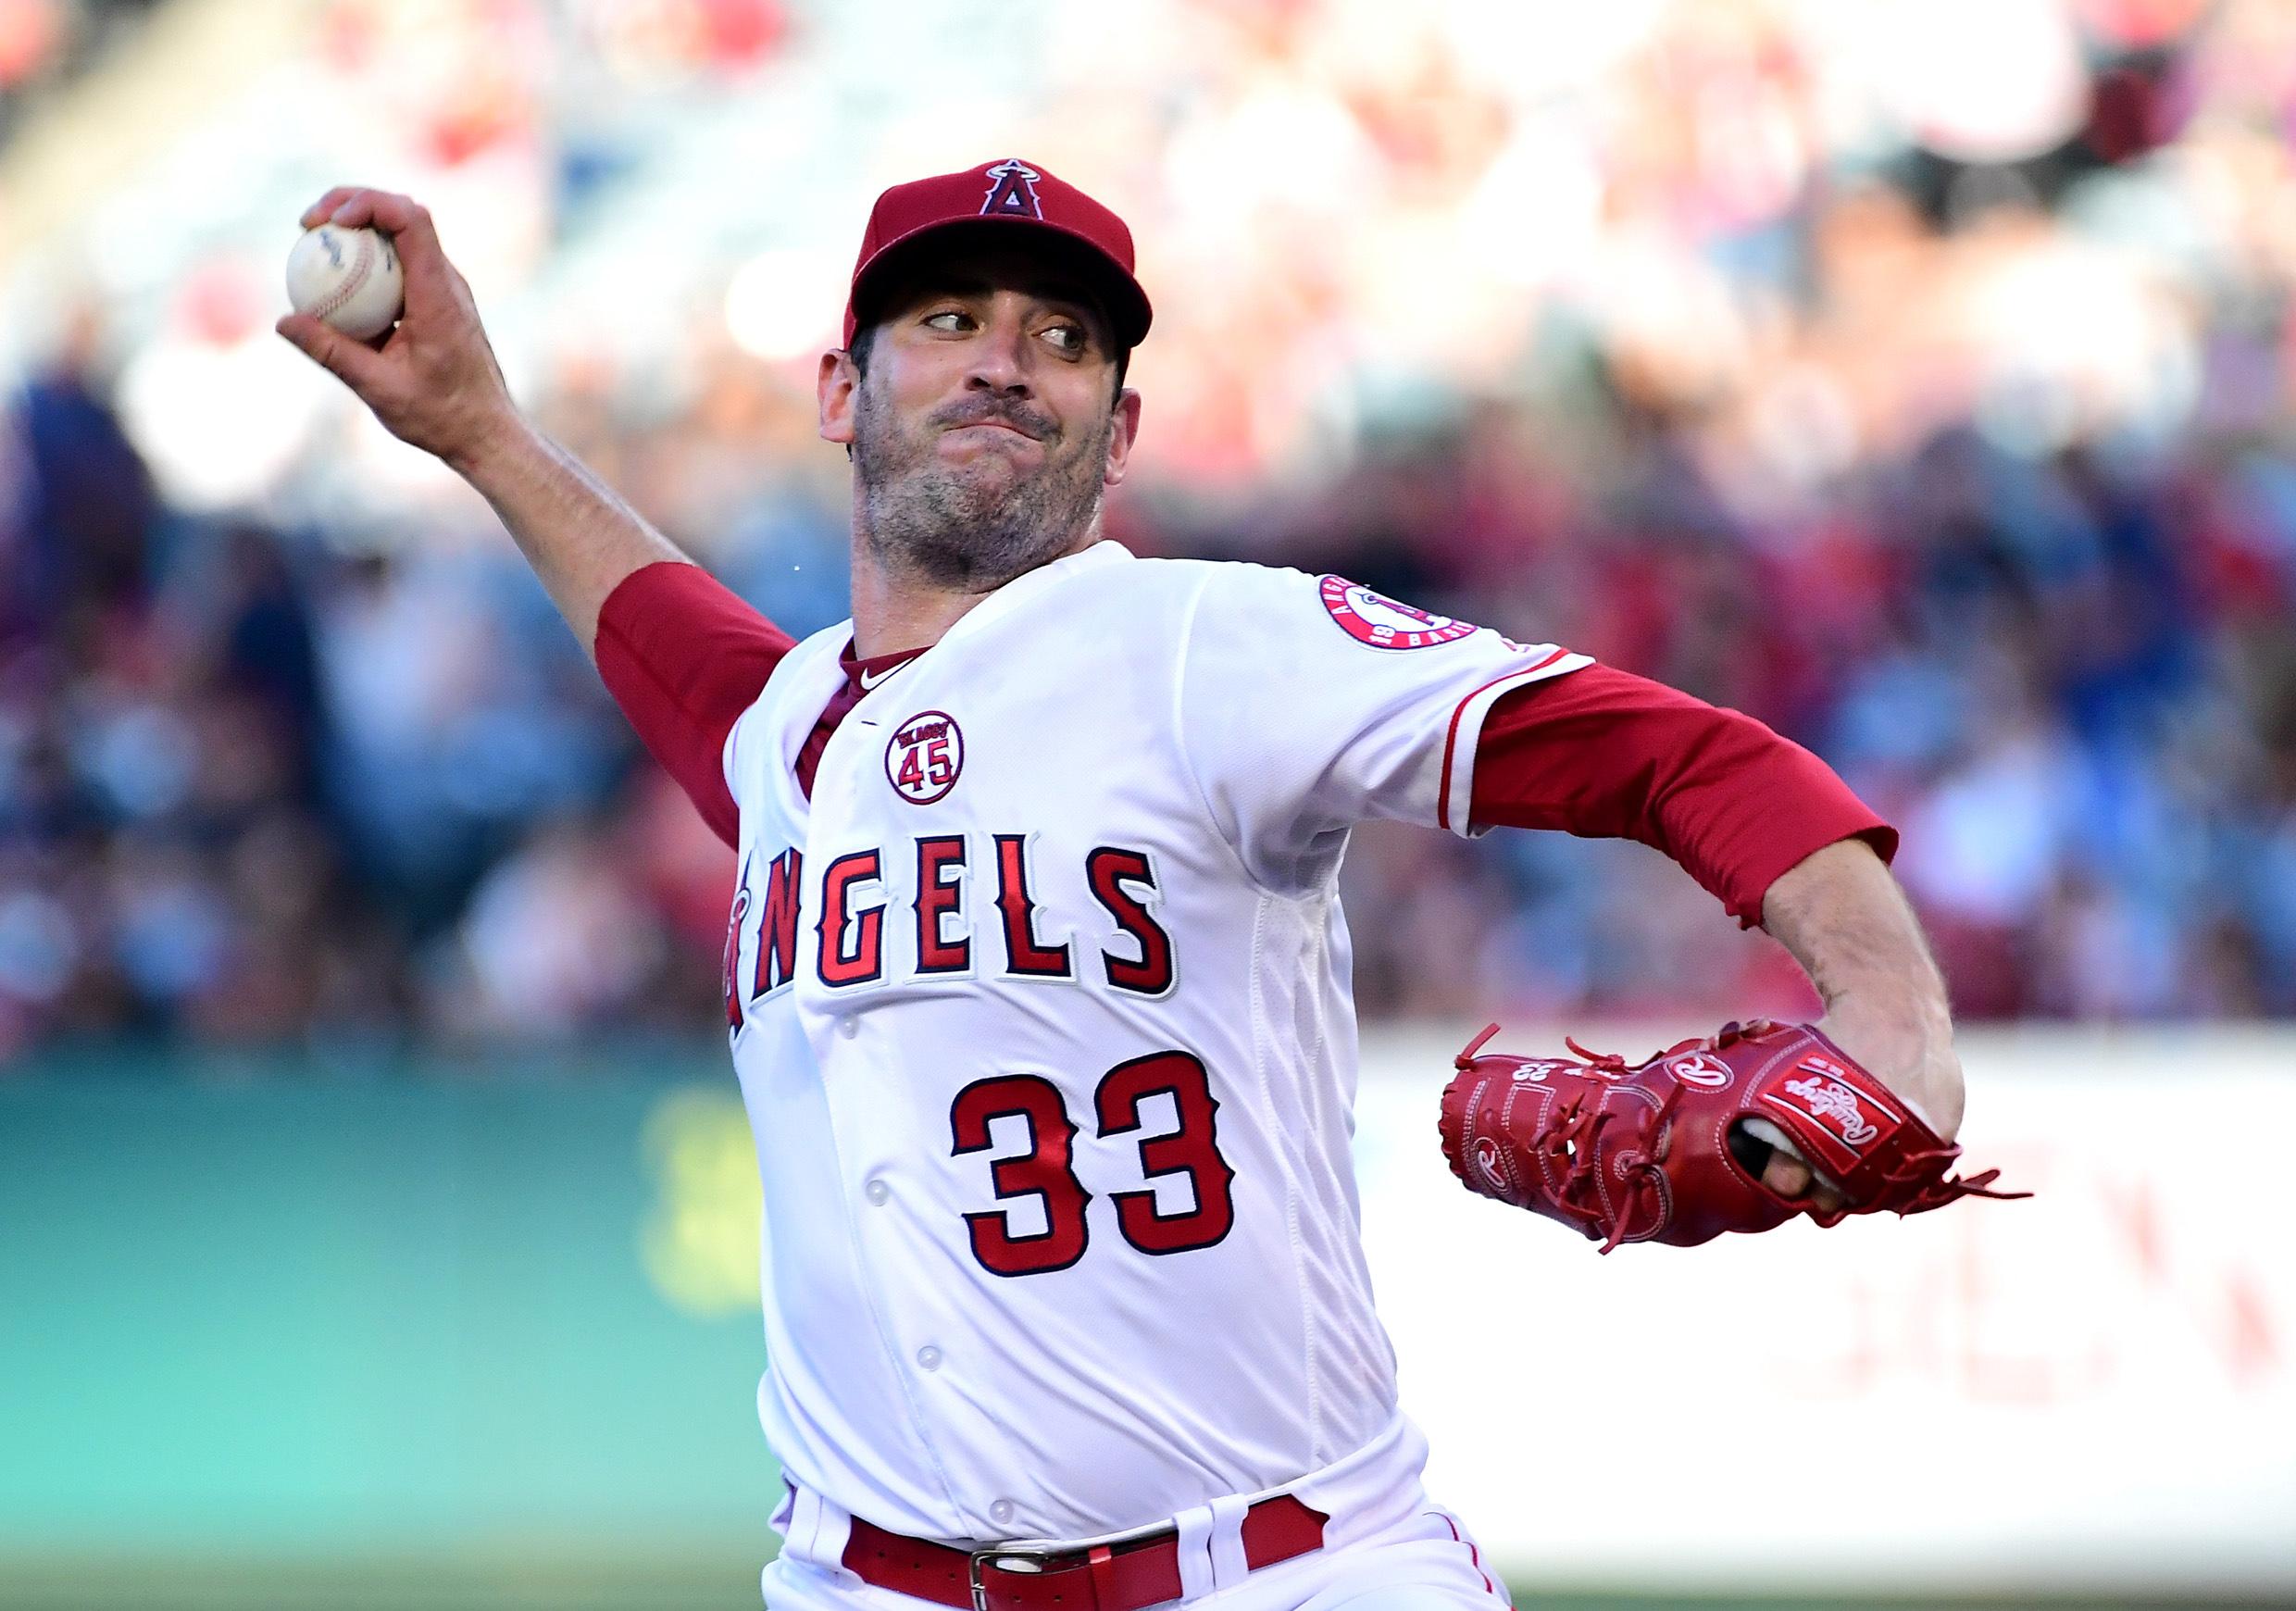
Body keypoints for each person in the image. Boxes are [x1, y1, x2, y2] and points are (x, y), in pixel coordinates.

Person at [278, 159, 1965, 1611]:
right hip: (865, 1576)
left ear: (1123, 426)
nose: (1007, 362)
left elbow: (1677, 755)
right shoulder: (794, 735)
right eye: (949, 321)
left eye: (1064, 339)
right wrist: (482, 434)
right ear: (839, 391)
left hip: (1287, 1567)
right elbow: (688, 661)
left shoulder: (1207, 649)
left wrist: (1886, 1002)